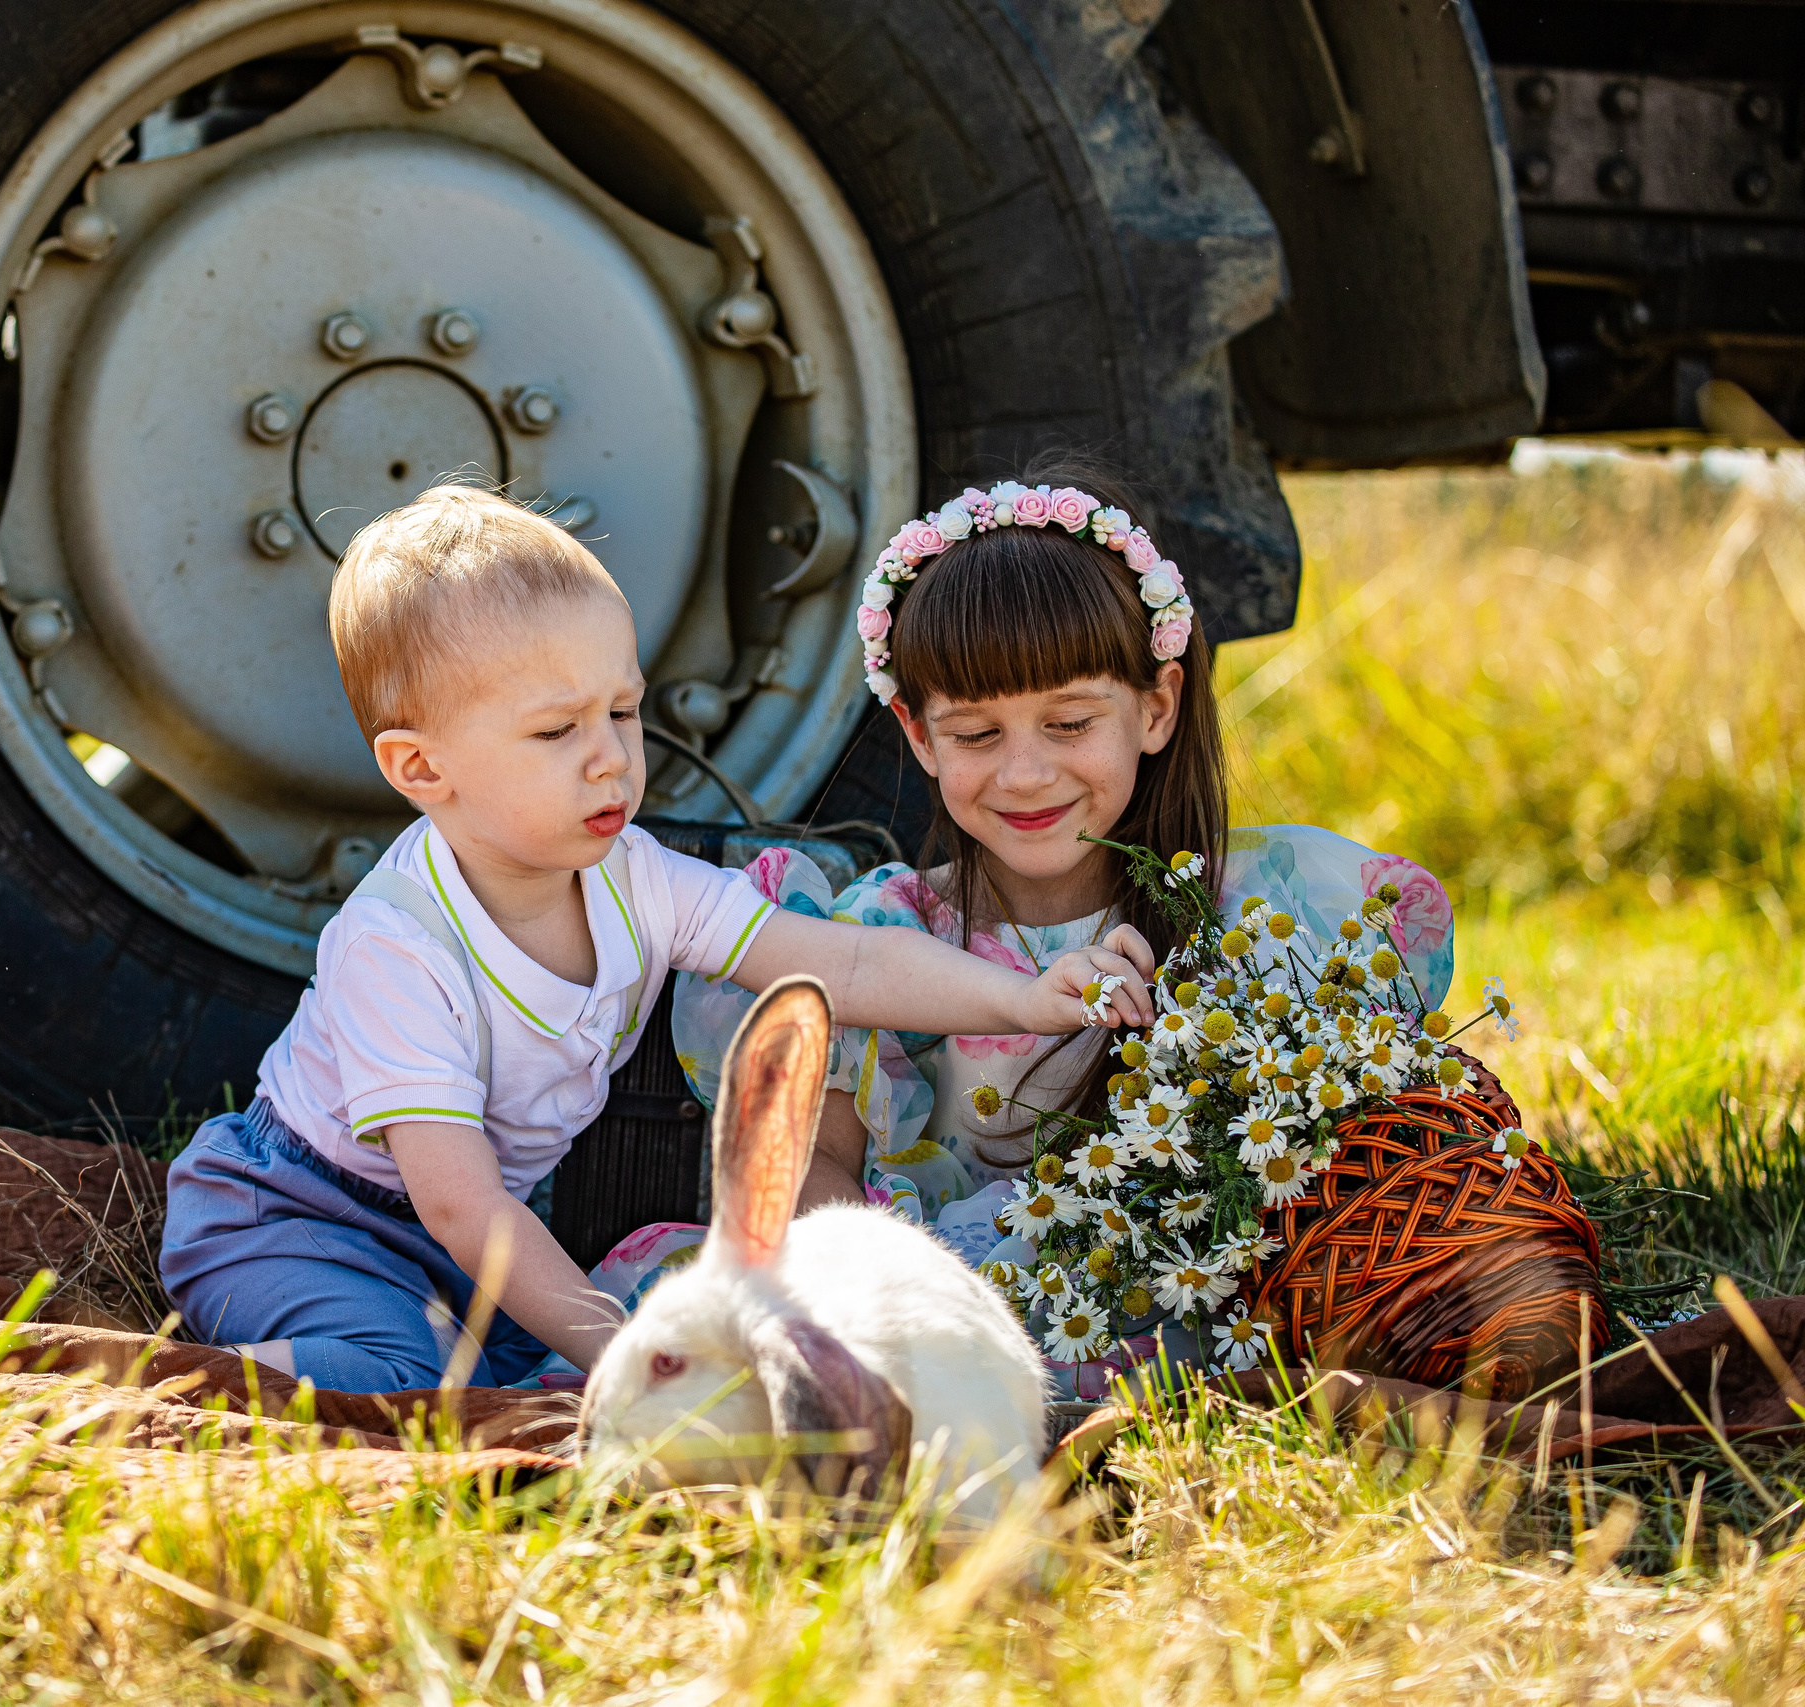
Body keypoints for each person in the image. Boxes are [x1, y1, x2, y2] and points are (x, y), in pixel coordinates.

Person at [157, 485, 1159, 1394]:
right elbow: (461, 1205)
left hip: (446, 1245)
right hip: (299, 1220)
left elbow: (838, 963)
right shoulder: (399, 944)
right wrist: (623, 1354)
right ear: (421, 768)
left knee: (524, 1369)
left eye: (623, 710)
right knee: (402, 1375)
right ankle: (155, 1388)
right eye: (556, 733)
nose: (609, 761)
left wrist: (1020, 999)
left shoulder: (630, 874)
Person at [604, 460, 1457, 1334]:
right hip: (924, 1300)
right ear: (918, 734)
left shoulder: (1252, 920)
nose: (1025, 773)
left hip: (1172, 1296)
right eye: (976, 732)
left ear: (1156, 708)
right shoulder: (885, 933)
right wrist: (866, 1292)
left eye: (1070, 723)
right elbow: (813, 1157)